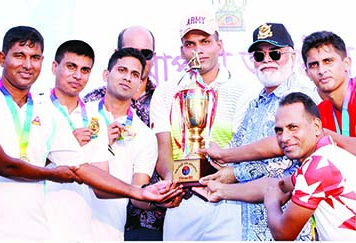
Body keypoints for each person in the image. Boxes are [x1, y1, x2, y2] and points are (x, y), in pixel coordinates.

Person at [200, 22, 321, 241]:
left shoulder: (302, 95)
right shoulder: (257, 102)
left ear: (292, 56)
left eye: (275, 53)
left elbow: (284, 156)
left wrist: (234, 173)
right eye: (259, 55)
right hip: (252, 227)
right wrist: (212, 160)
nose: (267, 60)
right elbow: (239, 146)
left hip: (292, 226)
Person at [150, 9, 259, 241]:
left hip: (228, 200)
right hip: (183, 201)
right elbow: (163, 149)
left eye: (205, 41)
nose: (198, 50)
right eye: (190, 44)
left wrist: (221, 179)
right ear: (182, 51)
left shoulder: (243, 88)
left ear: (219, 45)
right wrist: (173, 180)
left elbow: (245, 149)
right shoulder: (167, 91)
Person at [195, 92, 356, 241]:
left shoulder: (319, 166)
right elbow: (274, 185)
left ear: (316, 127)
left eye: (293, 127)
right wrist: (220, 190)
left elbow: (283, 234)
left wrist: (271, 203)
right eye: (279, 130)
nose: (284, 137)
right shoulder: (323, 157)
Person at [0, 26, 80, 240]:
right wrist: (51, 173)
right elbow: (5, 165)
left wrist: (137, 192)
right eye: (19, 56)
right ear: (2, 58)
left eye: (35, 57)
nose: (27, 65)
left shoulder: (48, 111)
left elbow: (82, 168)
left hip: (34, 232)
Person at [83, 25, 165, 241]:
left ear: (139, 81)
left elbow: (139, 191)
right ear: (106, 73)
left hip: (115, 228)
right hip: (68, 219)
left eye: (134, 74)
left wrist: (162, 194)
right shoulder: (81, 110)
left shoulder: (147, 132)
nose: (127, 78)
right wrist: (97, 143)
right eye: (122, 70)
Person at [42, 39, 109, 241]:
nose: (78, 76)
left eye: (85, 70)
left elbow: (101, 181)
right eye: (71, 67)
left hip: (79, 224)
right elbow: (18, 166)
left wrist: (142, 193)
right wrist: (67, 145)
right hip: (37, 221)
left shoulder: (96, 118)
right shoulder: (35, 107)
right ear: (55, 67)